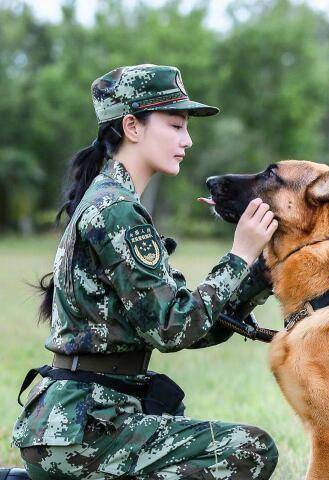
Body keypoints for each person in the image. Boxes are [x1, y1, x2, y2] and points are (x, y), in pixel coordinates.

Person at [11, 64, 279, 479]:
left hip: (80, 423)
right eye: (175, 125)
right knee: (251, 450)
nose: (186, 140)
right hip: (82, 434)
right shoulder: (116, 210)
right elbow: (172, 329)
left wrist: (262, 273)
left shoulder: (113, 200)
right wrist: (239, 256)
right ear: (132, 127)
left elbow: (194, 326)